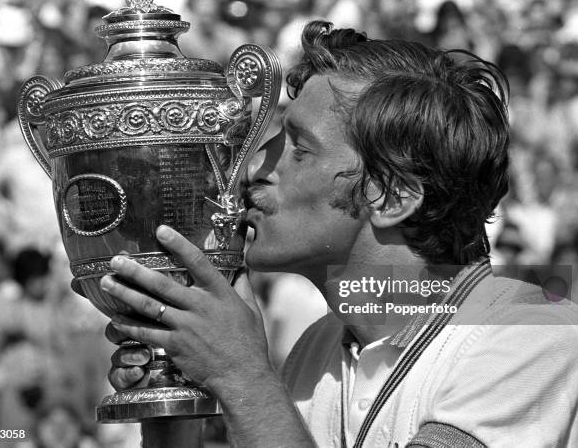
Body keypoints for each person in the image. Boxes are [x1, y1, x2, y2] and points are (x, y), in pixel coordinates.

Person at [98, 22, 578, 447]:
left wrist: (240, 375)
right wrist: (176, 404)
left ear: (391, 197)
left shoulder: (535, 335)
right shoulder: (318, 348)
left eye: (299, 148)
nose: (253, 169)